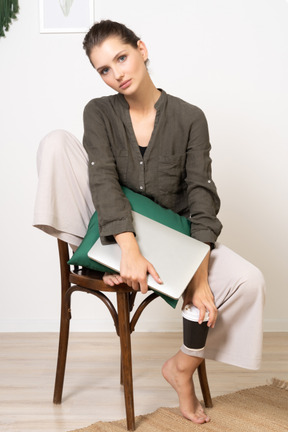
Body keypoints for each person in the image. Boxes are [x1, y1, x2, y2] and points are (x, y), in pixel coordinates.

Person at [33, 20, 265, 424]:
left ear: (141, 48)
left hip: (172, 237)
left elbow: (201, 194)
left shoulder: (190, 118)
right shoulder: (99, 112)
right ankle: (94, 259)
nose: (117, 73)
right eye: (104, 69)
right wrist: (126, 250)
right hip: (113, 229)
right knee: (55, 142)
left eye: (121, 58)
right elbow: (102, 180)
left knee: (249, 281)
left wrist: (200, 272)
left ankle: (183, 366)